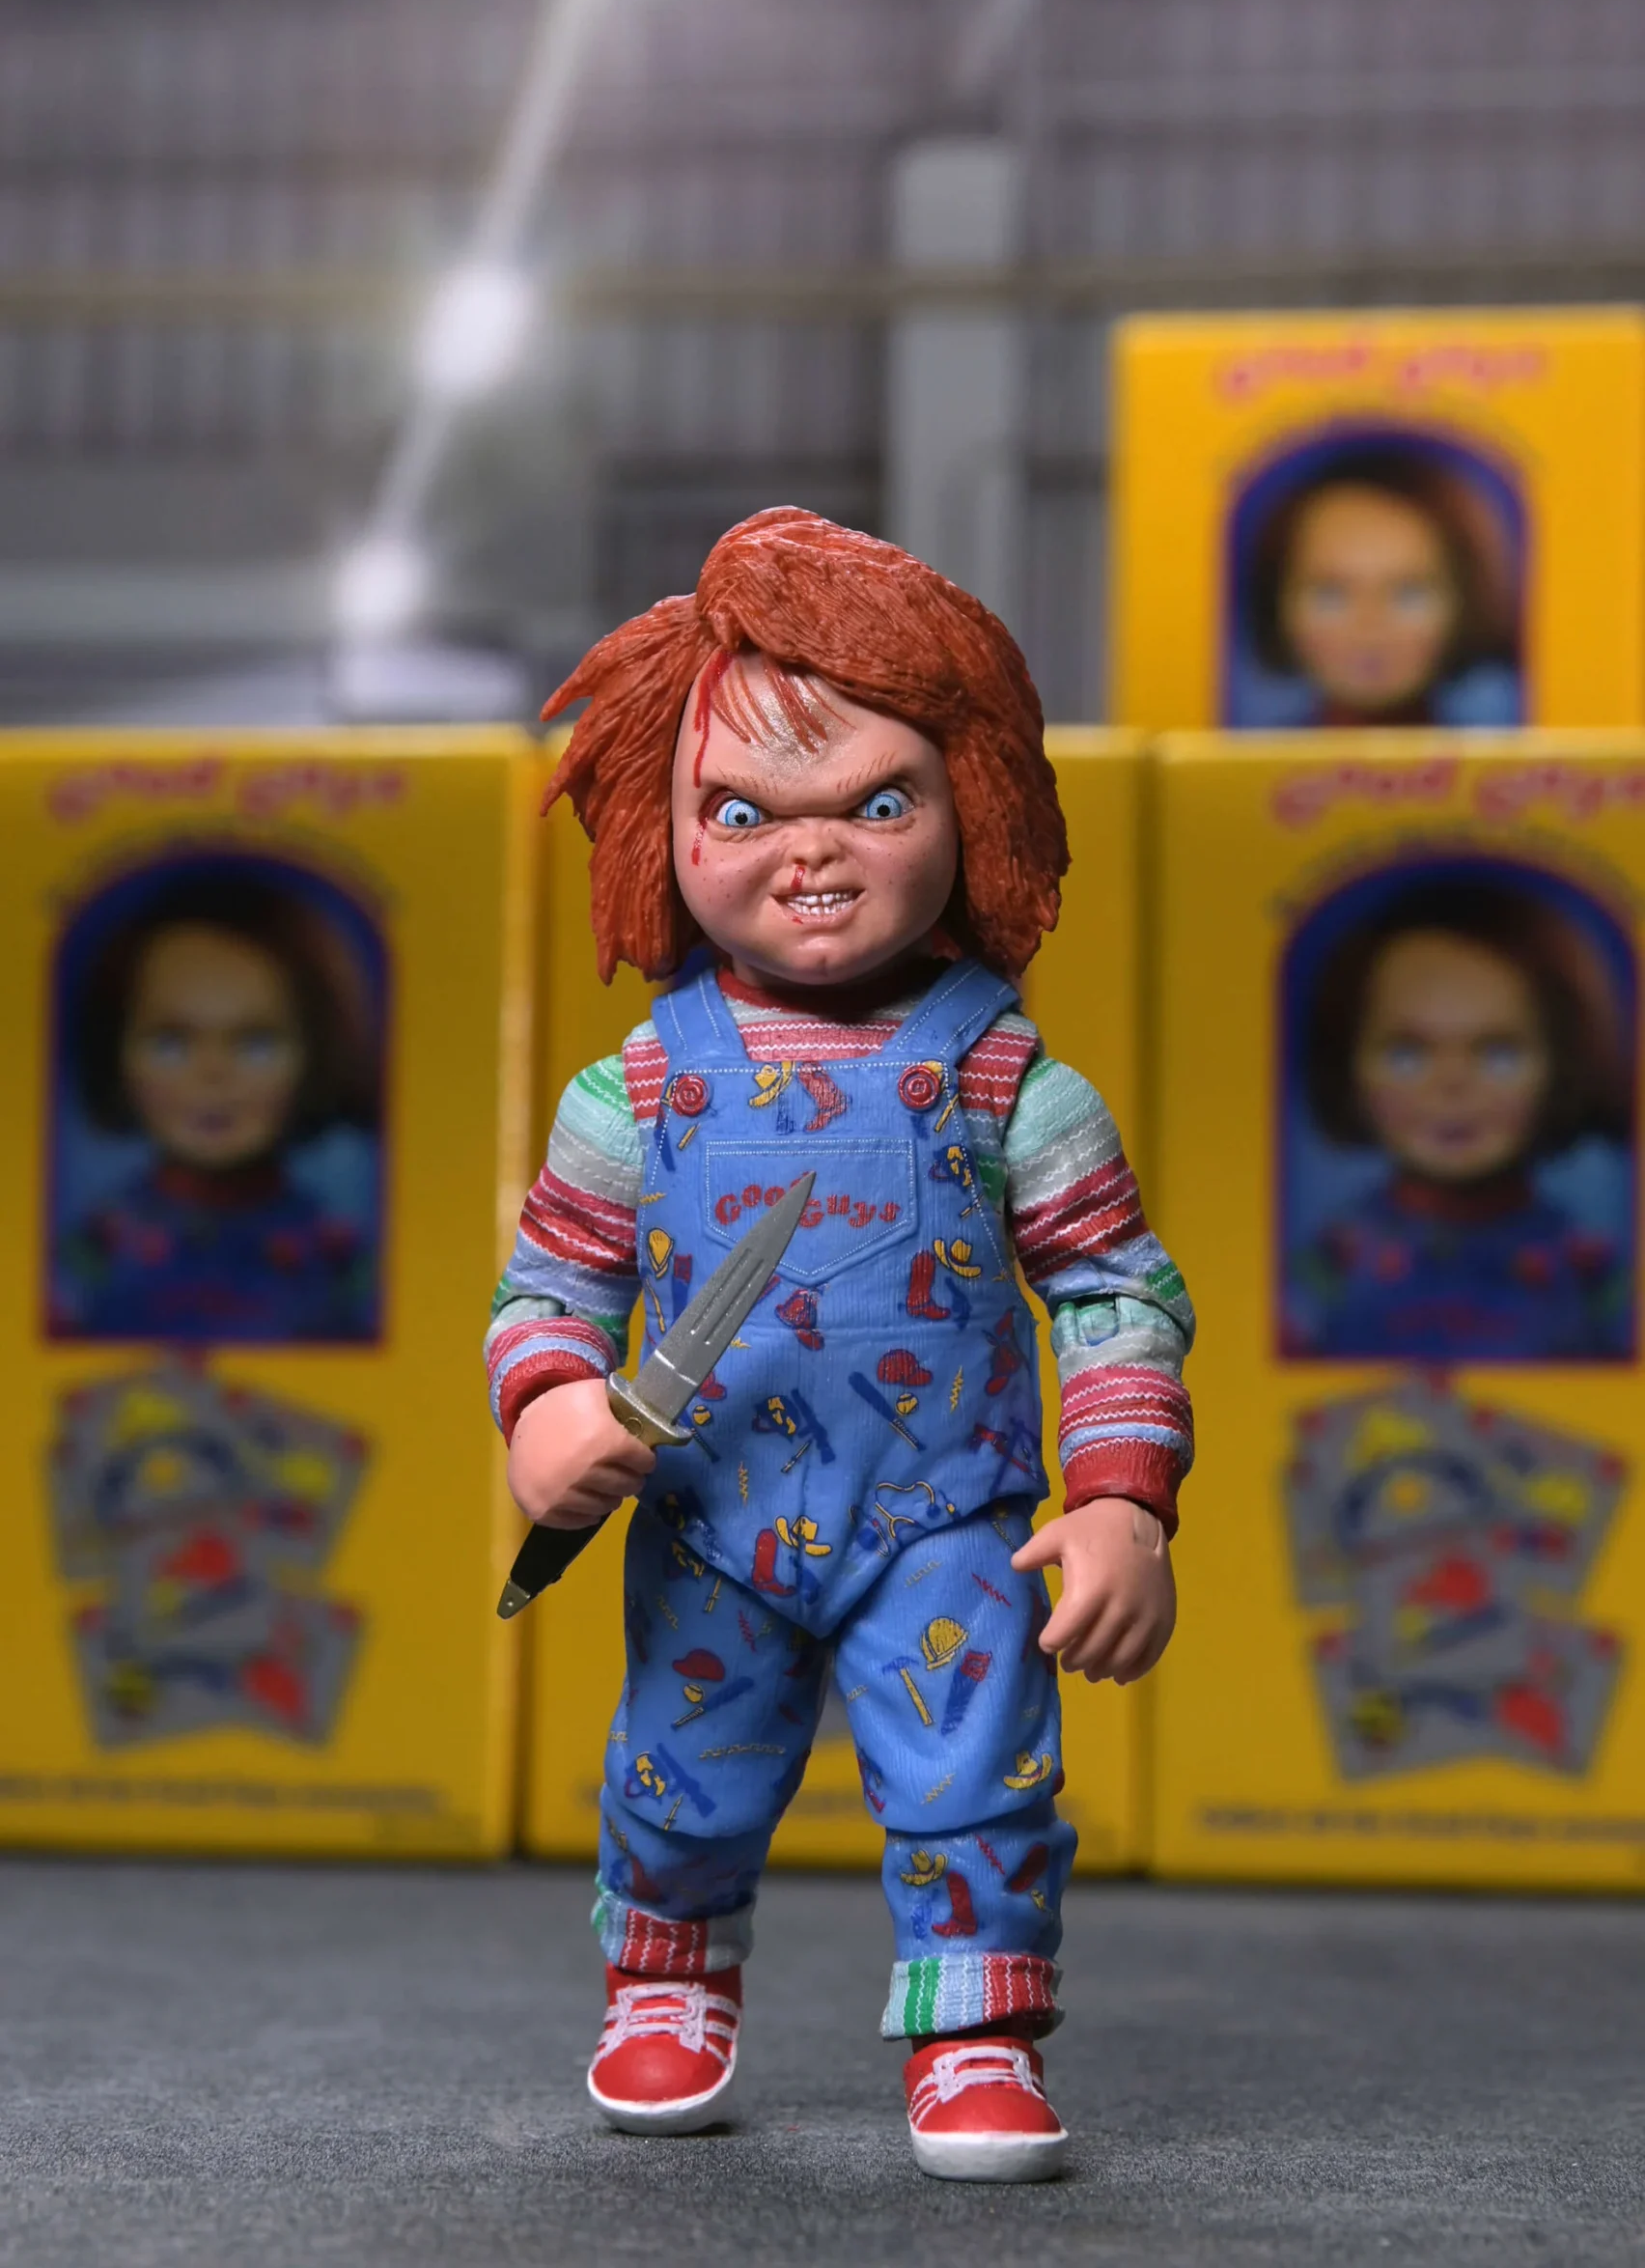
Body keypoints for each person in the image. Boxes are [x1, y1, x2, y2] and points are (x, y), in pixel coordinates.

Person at [487, 508, 1196, 2180]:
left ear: (975, 807)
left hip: (944, 1514)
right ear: (662, 831)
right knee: (680, 1768)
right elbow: (549, 1290)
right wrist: (549, 1410)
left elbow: (1113, 1292)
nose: (810, 855)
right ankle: (666, 1978)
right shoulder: (631, 1094)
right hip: (708, 1516)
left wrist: (1121, 1499)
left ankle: (975, 2027)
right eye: (742, 814)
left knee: (977, 1773)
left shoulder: (1011, 1085)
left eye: (877, 805)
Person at [1286, 876, 1633, 1360]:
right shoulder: (1333, 1263)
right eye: (1407, 1054)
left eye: (1498, 1054)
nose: (1452, 1084)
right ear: (1347, 1067)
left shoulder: (1588, 1268)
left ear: (1563, 1067)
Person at [51, 865, 380, 1343]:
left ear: (317, 1053)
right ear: (115, 1053)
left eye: (255, 1043)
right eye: (171, 1042)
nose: (212, 1074)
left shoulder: (342, 1260)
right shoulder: (90, 1254)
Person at [1236, 440, 1520, 726]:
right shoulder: (1243, 753)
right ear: (1277, 604)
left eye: (1409, 595)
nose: (1369, 627)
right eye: (1330, 596)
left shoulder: (1507, 750)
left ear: (1464, 604)